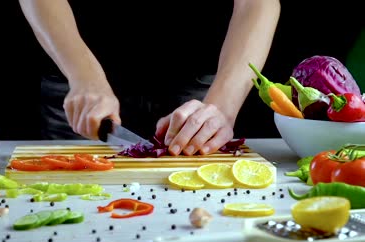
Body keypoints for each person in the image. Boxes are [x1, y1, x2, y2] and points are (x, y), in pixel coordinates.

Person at [18, 0, 281, 156]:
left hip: (194, 84)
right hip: (78, 79)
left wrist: (220, 108)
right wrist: (84, 75)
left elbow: (257, 2)